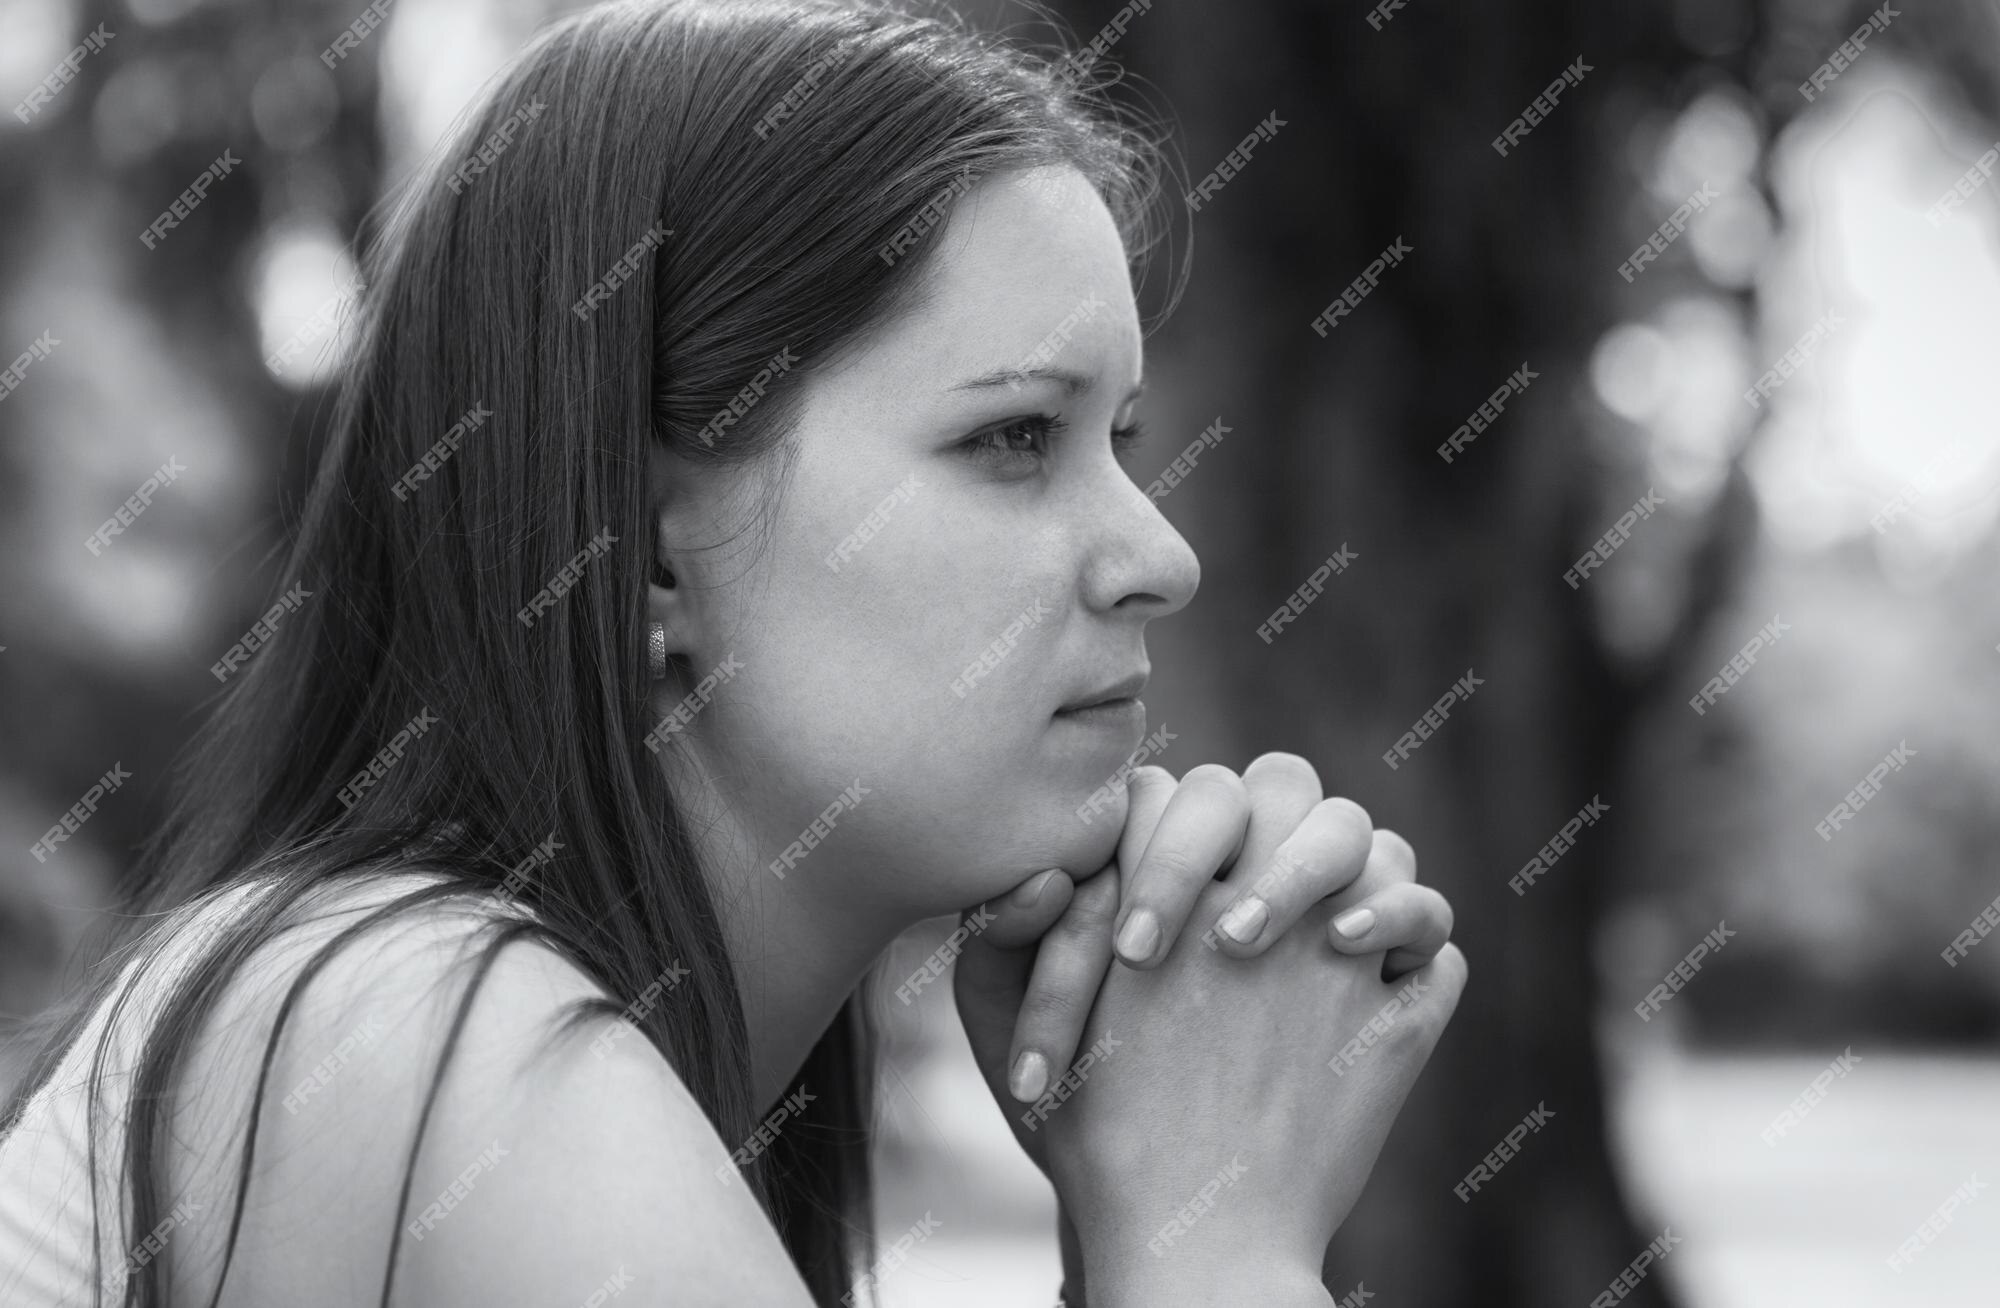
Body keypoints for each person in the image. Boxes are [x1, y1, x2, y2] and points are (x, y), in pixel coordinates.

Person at [0, 1, 1465, 1304]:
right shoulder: (425, 1034)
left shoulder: (567, 1059)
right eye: (1014, 437)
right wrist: (1212, 1243)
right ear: (643, 552)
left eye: (1119, 441)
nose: (1162, 557)